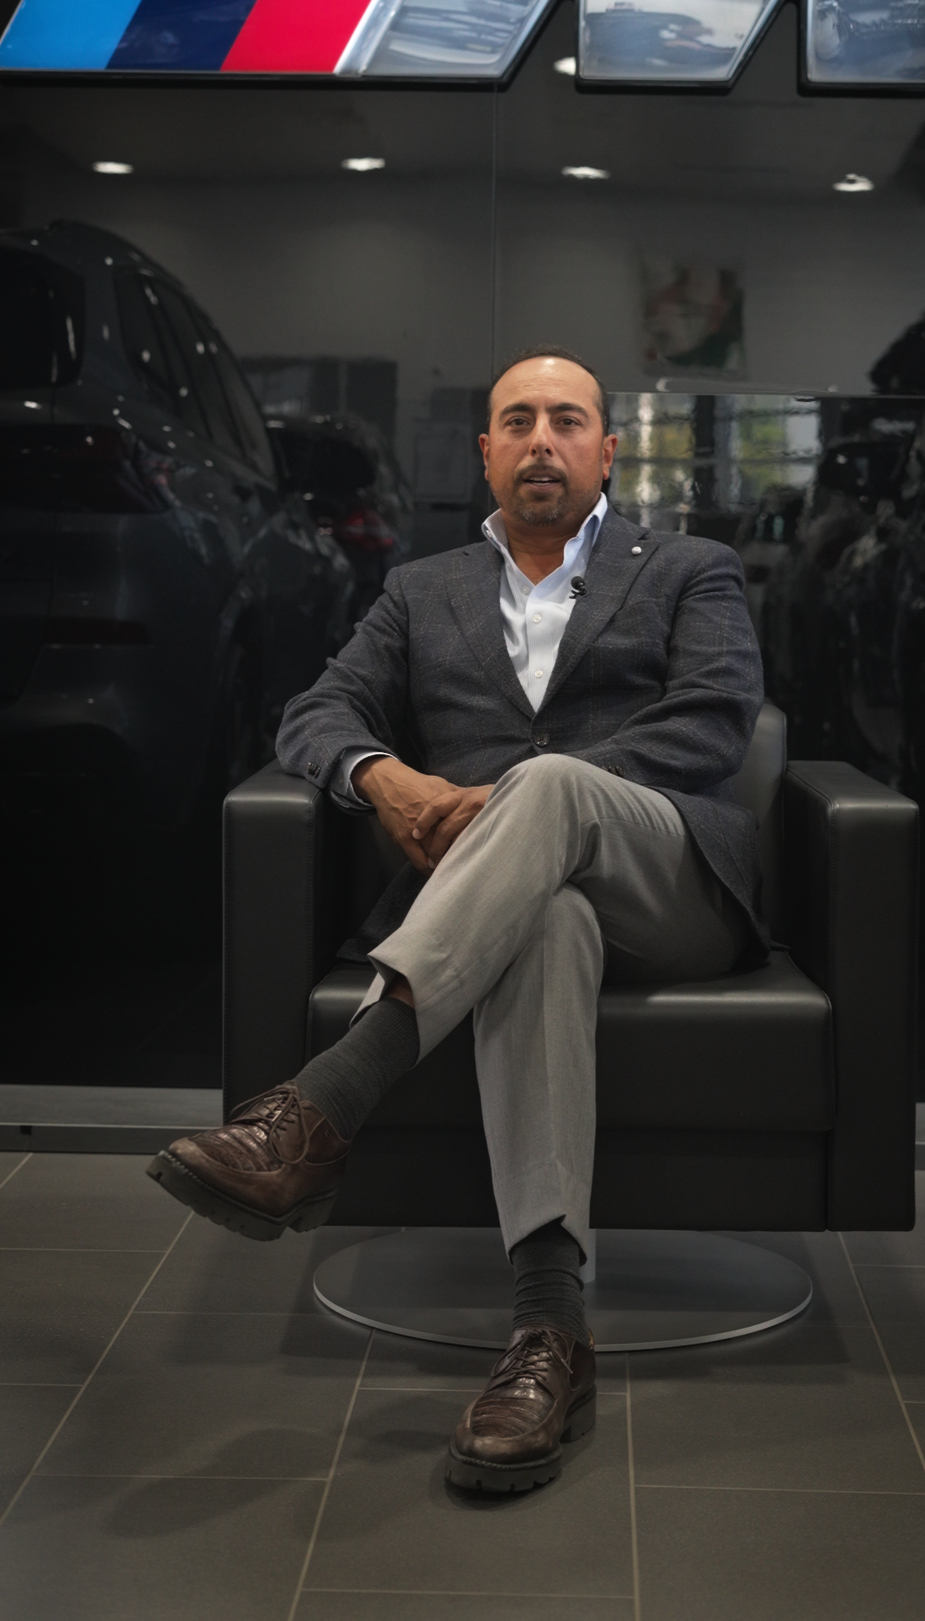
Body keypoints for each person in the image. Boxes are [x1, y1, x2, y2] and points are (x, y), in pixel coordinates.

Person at [148, 349, 767, 1494]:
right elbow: (318, 711)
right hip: (513, 909)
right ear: (485, 452)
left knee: (550, 785)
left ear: (608, 450)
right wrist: (381, 776)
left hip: (670, 884)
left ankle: (320, 1107)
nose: (542, 440)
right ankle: (549, 1335)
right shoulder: (420, 590)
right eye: (517, 421)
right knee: (546, 921)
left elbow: (713, 721)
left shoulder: (692, 568)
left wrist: (521, 794)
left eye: (567, 420)